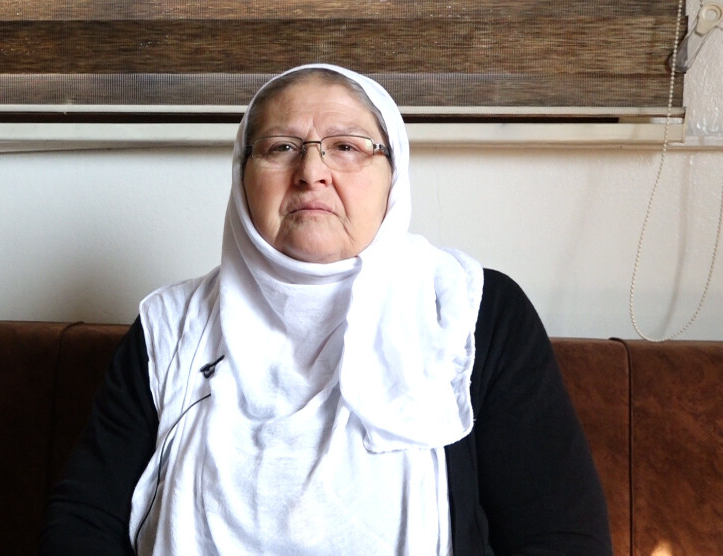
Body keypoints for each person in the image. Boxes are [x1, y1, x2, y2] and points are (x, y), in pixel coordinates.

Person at [40, 64, 612, 555]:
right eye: (281, 147)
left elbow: (560, 536)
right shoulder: (171, 327)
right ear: (242, 178)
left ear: (393, 179)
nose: (311, 171)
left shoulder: (469, 313)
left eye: (347, 147)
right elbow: (83, 524)